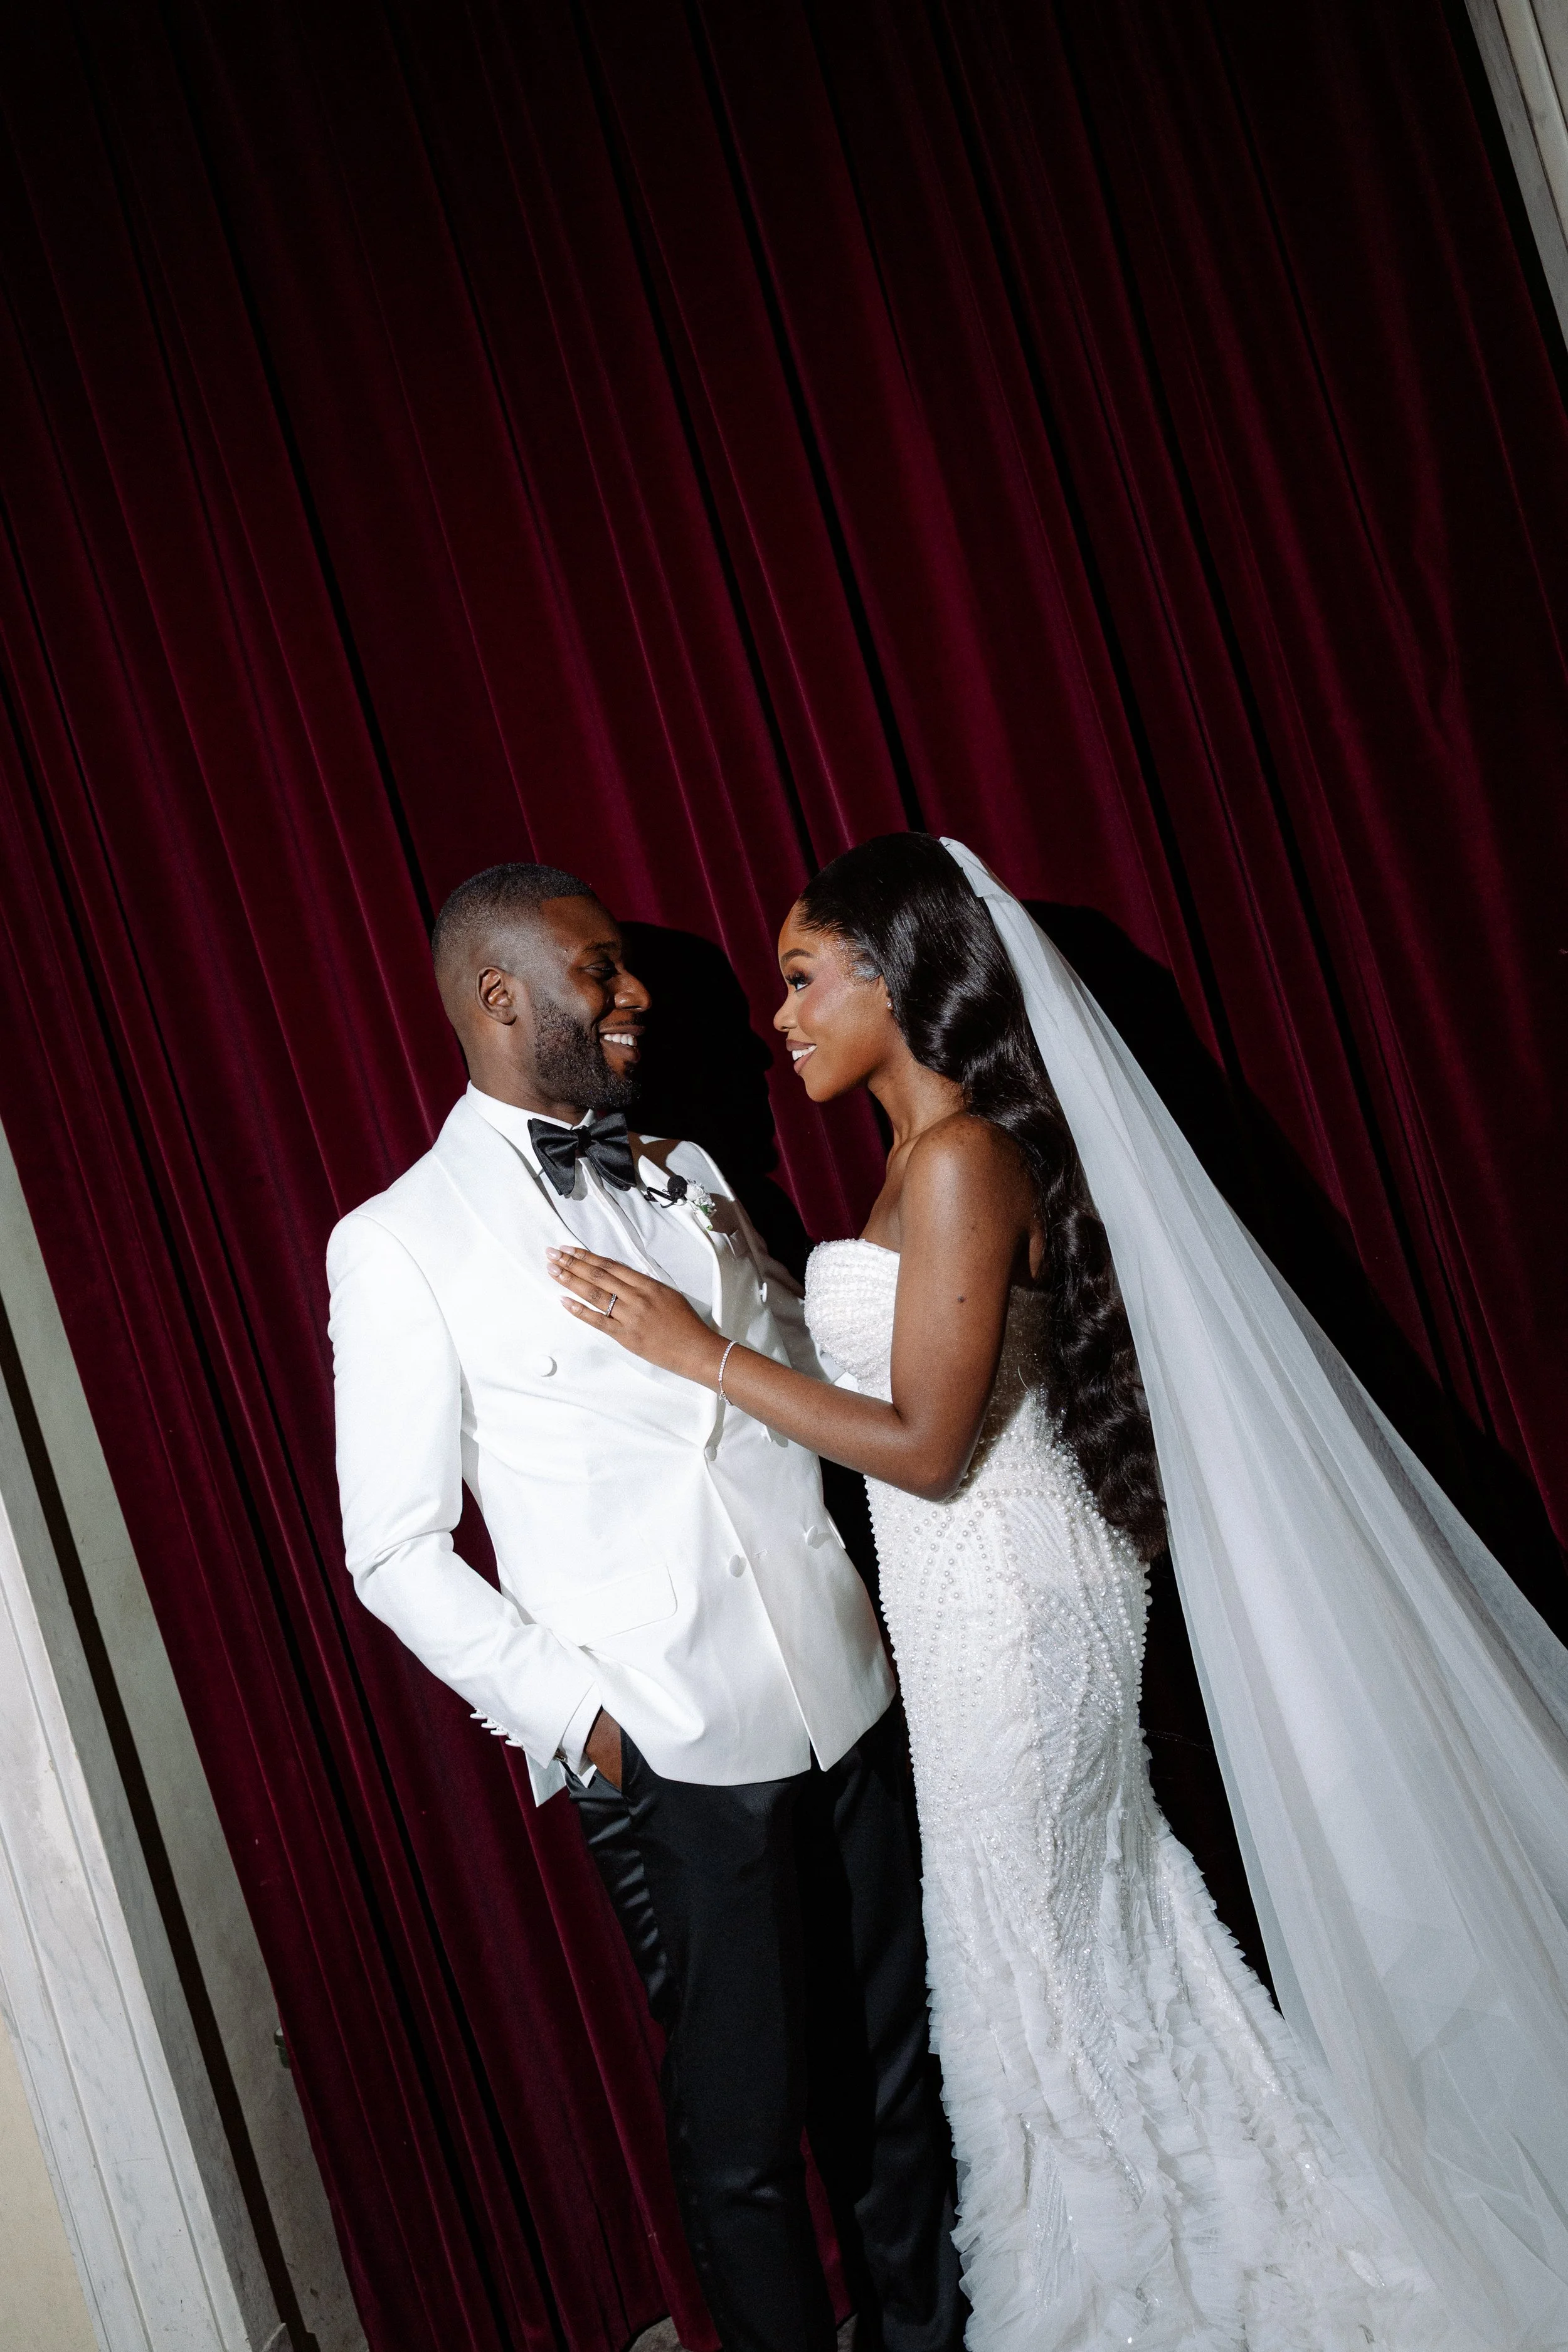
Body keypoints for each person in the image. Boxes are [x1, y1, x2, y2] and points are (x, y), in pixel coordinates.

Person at [547, 833, 1568, 2352]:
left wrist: (696, 1356)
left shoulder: (961, 1157)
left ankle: (1127, 2300)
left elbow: (923, 1441)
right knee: (1078, 1943)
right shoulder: (922, 1157)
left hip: (1014, 1610)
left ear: (893, 979)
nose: (781, 1018)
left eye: (804, 979)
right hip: (977, 1603)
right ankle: (1211, 2257)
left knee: (1027, 1951)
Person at [326, 862, 966, 2352]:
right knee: (744, 2142)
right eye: (599, 969)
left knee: (895, 2080)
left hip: (843, 1693)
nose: (636, 994)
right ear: (500, 995)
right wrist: (586, 1721)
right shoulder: (399, 1240)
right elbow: (394, 1551)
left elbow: (795, 1385)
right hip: (667, 1742)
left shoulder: (688, 1168)